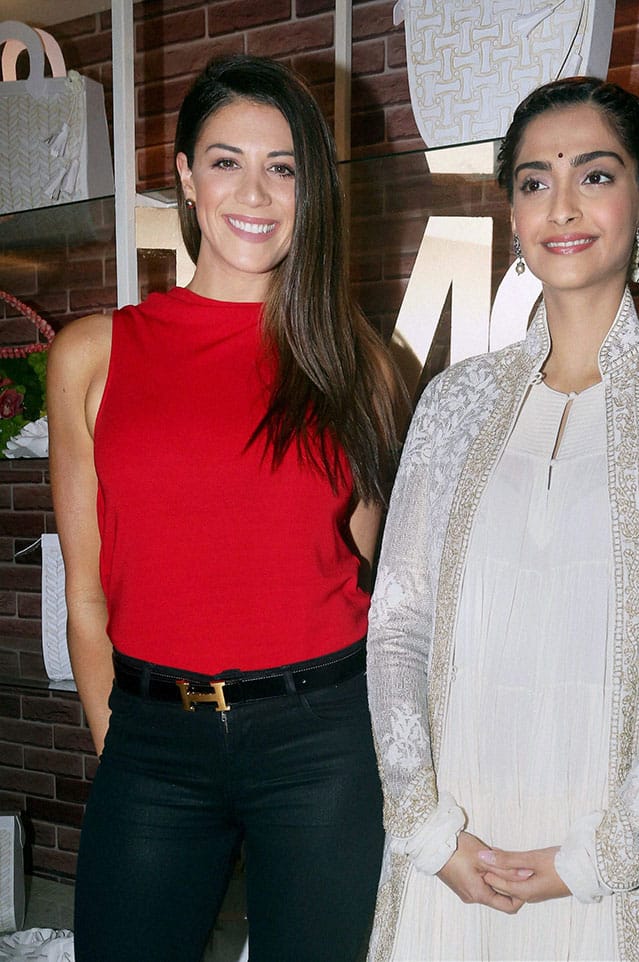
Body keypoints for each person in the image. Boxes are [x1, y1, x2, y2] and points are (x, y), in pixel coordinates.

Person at [366, 76, 639, 961]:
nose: (561, 205)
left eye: (594, 175)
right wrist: (427, 827)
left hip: (616, 845)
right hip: (458, 838)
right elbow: (398, 624)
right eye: (533, 180)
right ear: (512, 213)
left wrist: (606, 852)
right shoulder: (451, 402)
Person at [47, 55, 405, 962]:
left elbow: (379, 569)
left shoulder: (353, 359)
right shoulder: (94, 354)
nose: (256, 191)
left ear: (309, 188)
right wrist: (118, 744)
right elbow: (86, 593)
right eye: (226, 160)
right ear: (183, 177)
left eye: (283, 167)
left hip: (322, 739)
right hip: (153, 739)